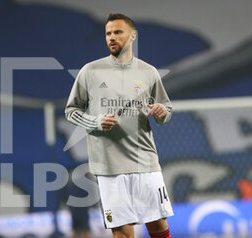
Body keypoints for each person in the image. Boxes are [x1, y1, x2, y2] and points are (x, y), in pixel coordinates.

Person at [65, 13, 174, 238]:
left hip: (145, 161)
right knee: (122, 231)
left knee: (158, 225)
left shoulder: (148, 72)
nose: (111, 37)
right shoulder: (90, 71)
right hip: (109, 167)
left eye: (117, 32)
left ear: (133, 36)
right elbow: (71, 111)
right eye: (108, 33)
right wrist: (96, 121)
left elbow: (165, 110)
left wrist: (161, 111)